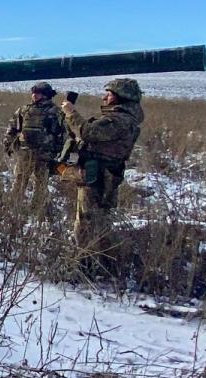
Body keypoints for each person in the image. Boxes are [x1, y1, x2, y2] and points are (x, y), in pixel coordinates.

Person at [61, 78, 144, 271]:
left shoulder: (119, 120)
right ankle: (101, 261)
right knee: (97, 219)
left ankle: (85, 264)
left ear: (121, 97)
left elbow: (88, 133)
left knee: (87, 222)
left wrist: (71, 113)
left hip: (97, 175)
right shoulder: (122, 118)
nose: (104, 97)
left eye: (109, 94)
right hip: (102, 174)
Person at [4, 81, 64, 208]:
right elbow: (13, 127)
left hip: (45, 153)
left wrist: (60, 152)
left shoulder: (55, 111)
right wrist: (8, 143)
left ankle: (37, 209)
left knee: (41, 182)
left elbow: (62, 133)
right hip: (25, 152)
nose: (34, 95)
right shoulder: (24, 110)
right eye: (33, 92)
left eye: (38, 93)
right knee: (20, 180)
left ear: (46, 95)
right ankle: (14, 207)